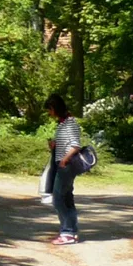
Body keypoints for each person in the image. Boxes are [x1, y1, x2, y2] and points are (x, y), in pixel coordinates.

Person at [44, 94, 82, 245]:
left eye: (49, 109)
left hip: (66, 166)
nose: (49, 113)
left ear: (54, 108)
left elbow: (75, 145)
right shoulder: (63, 123)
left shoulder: (70, 123)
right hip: (63, 163)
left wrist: (64, 160)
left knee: (58, 199)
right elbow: (66, 143)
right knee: (67, 199)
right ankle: (71, 231)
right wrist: (54, 145)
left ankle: (67, 232)